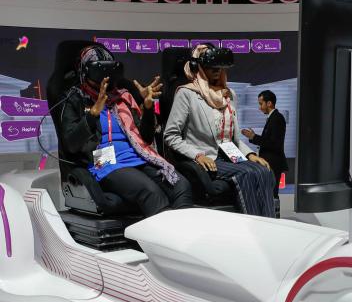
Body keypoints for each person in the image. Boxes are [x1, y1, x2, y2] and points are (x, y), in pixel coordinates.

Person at [59, 45, 192, 217]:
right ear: (86, 72)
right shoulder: (75, 99)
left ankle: (184, 236)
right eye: (99, 71)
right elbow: (71, 144)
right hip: (106, 164)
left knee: (181, 185)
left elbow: (146, 137)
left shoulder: (124, 96)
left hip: (138, 158)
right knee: (151, 192)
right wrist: (92, 114)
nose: (105, 77)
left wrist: (148, 107)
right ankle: (167, 240)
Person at [164, 44, 276, 217]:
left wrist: (250, 155)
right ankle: (253, 227)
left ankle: (269, 224)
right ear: (199, 67)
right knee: (247, 173)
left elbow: (234, 138)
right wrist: (197, 155)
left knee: (264, 171)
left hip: (229, 154)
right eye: (211, 67)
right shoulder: (187, 94)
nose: (216, 71)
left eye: (219, 67)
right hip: (206, 157)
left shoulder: (229, 95)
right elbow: (171, 136)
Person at [241, 90, 288, 198]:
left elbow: (273, 143)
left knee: (272, 195)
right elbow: (269, 140)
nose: (259, 107)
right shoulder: (273, 118)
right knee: (269, 194)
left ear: (269, 103)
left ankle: (273, 215)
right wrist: (253, 137)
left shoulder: (277, 118)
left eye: (261, 104)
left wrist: (253, 137)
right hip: (270, 162)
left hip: (274, 163)